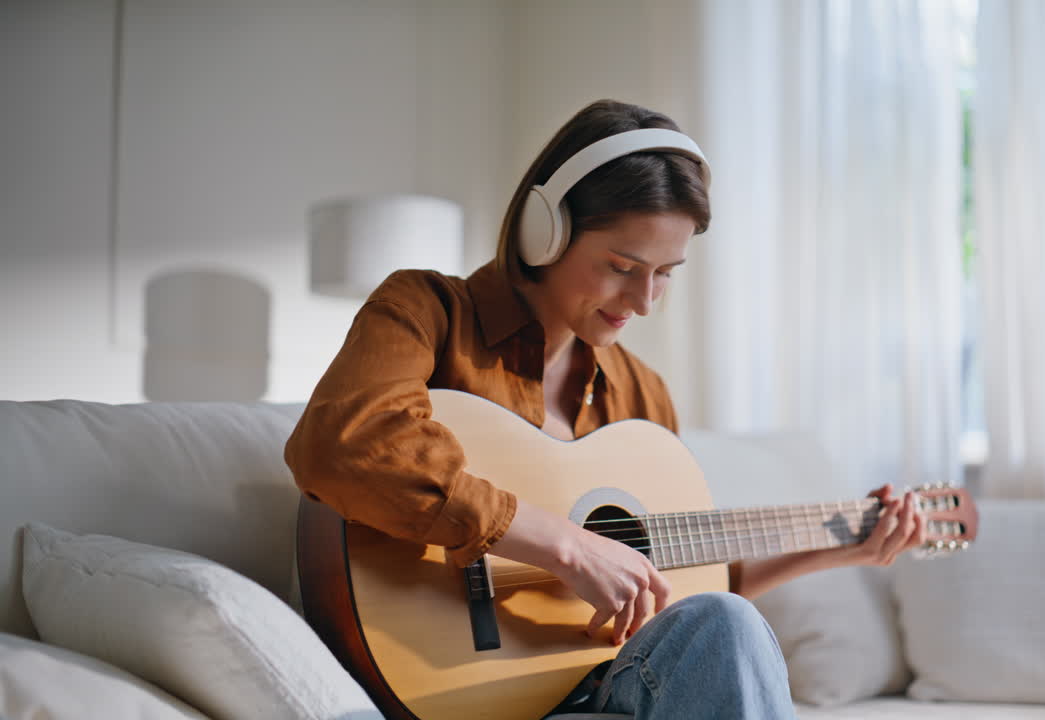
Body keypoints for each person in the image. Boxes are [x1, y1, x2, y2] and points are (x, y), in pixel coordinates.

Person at [285, 99, 926, 719]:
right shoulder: (428, 311)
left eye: (666, 272)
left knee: (723, 622)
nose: (644, 301)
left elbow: (685, 596)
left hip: (606, 675)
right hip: (444, 674)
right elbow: (345, 444)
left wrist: (845, 547)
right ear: (546, 231)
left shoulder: (640, 392)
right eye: (622, 266)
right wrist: (564, 545)